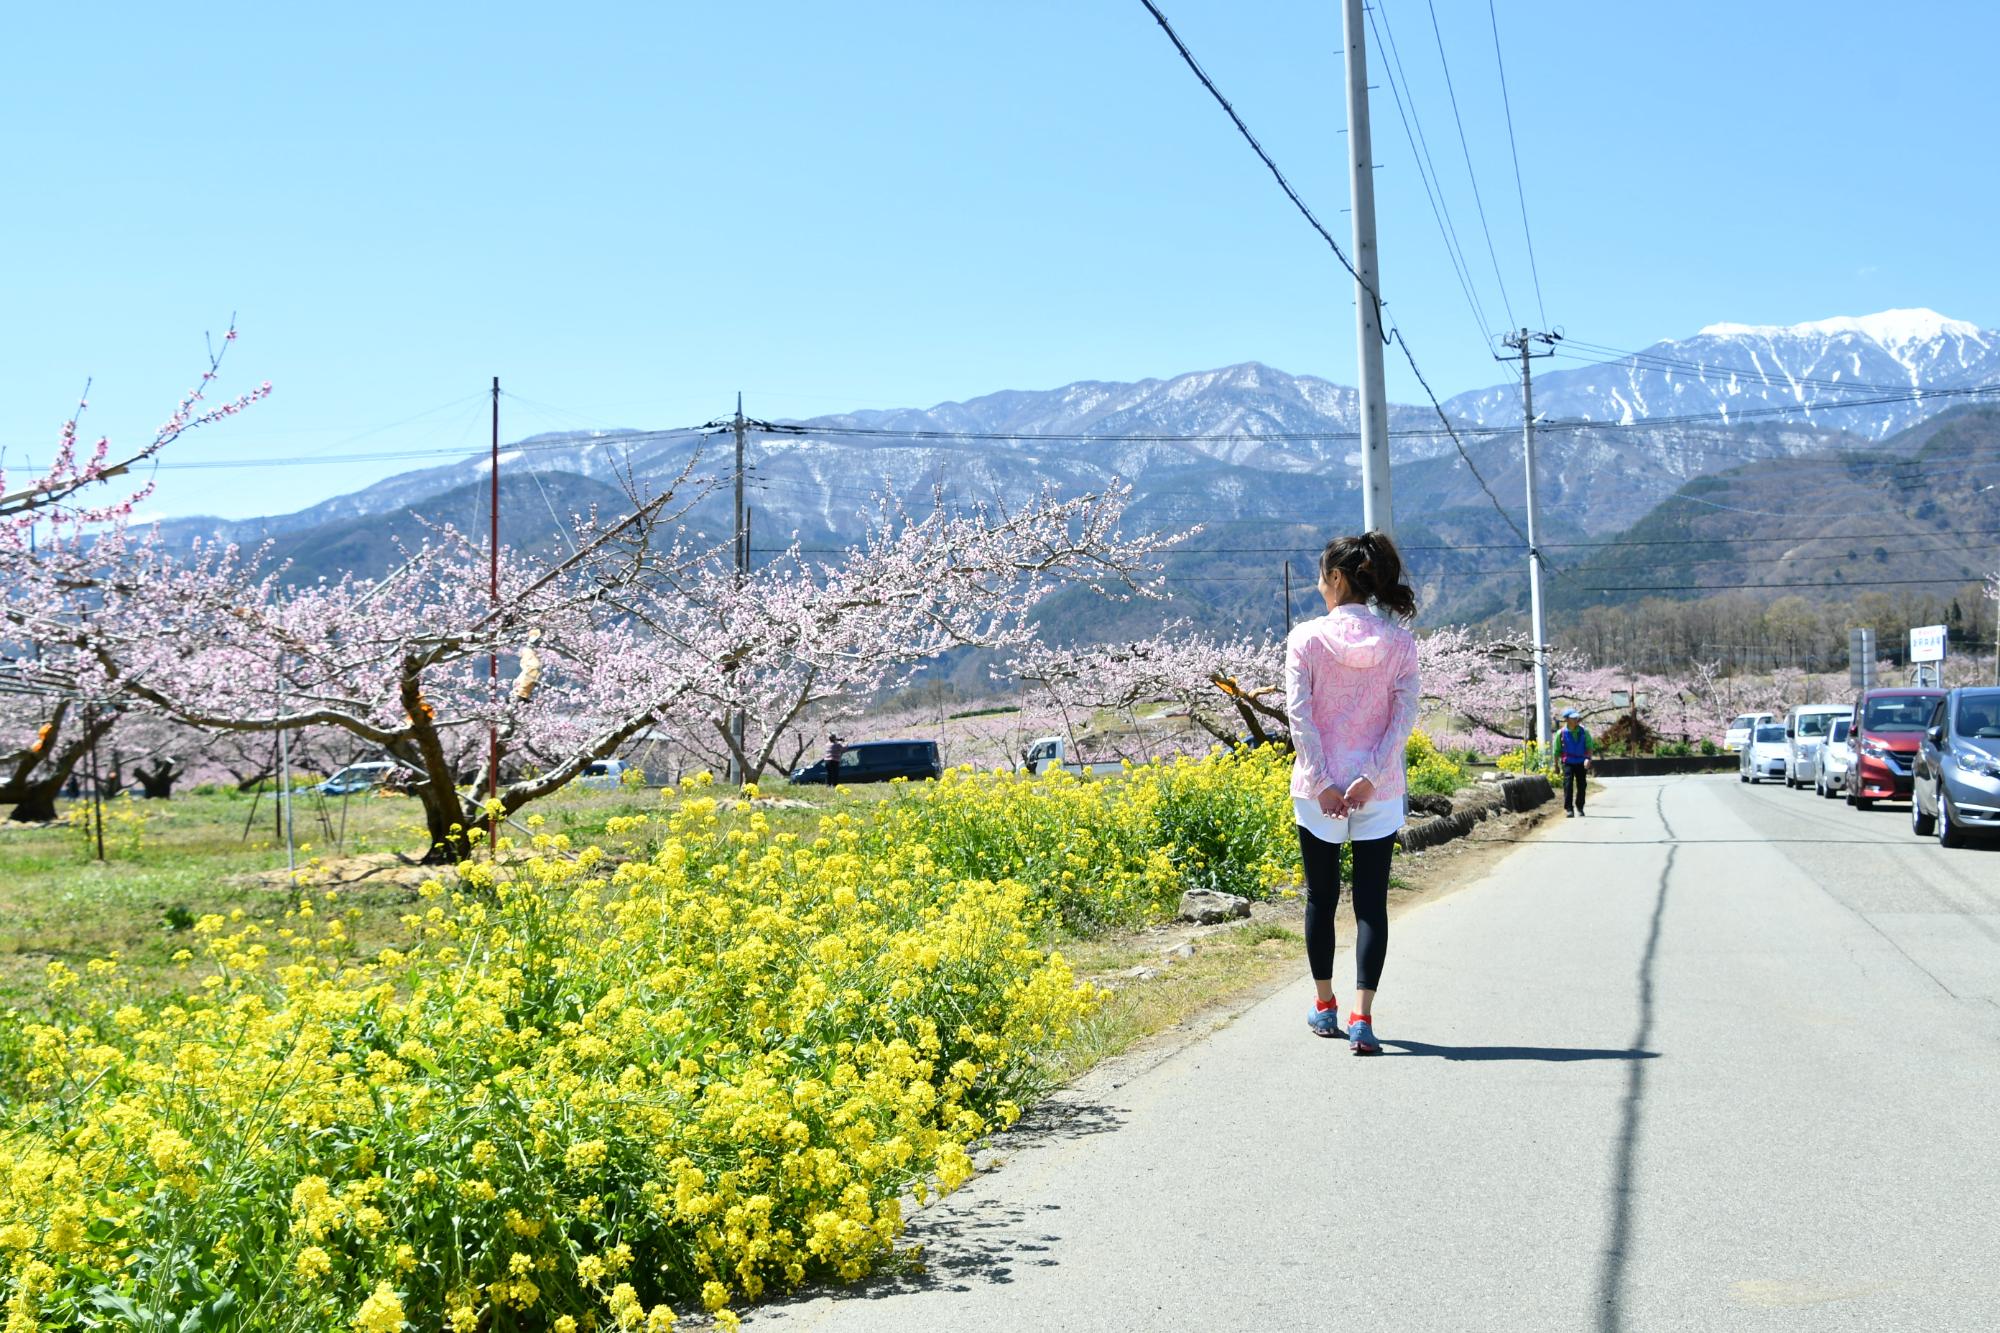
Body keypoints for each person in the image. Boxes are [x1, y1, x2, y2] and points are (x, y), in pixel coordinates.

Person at [1284, 530, 1420, 1056]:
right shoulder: (1400, 643)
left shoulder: (1306, 639)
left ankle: (1325, 1006)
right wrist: (1370, 775)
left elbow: (1300, 715)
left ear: (1337, 578)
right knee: (1370, 904)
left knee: (1321, 897)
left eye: (1322, 576)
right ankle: (1363, 1017)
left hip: (1317, 793)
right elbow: (1403, 717)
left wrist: (1322, 781)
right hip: (1378, 791)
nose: (1320, 585)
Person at [1557, 709, 1592, 816]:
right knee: (1568, 785)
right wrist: (1556, 766)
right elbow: (1556, 751)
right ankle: (1569, 809)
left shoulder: (1584, 732)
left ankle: (1580, 807)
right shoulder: (1561, 733)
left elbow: (1589, 747)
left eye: (1577, 717)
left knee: (1582, 785)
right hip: (1567, 762)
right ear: (1567, 720)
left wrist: (1588, 758)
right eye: (1573, 718)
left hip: (1581, 761)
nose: (1576, 720)